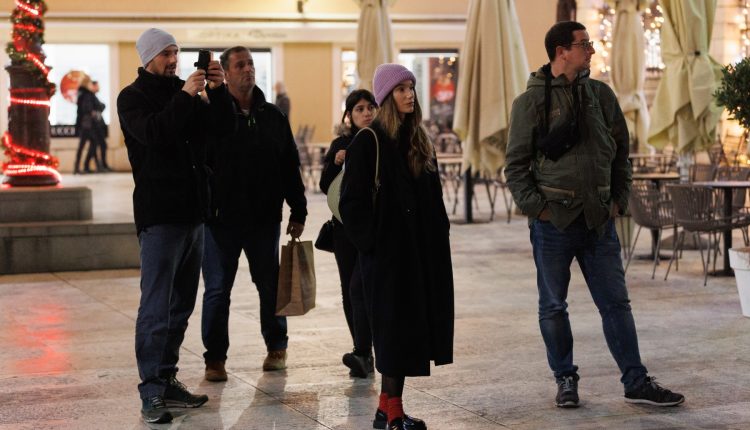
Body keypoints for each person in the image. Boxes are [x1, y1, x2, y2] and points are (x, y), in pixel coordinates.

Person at [505, 21, 685, 409]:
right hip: (554, 224)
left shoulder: (601, 95)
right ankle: (565, 379)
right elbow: (515, 167)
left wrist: (618, 199)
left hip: (599, 221)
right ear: (561, 52)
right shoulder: (530, 102)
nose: (591, 50)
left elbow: (622, 154)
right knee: (553, 306)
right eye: (584, 44)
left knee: (616, 304)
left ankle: (636, 381)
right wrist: (540, 210)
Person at [117, 28, 235, 424]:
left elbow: (223, 132)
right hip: (159, 217)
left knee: (181, 305)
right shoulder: (132, 98)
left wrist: (218, 92)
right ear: (148, 57)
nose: (173, 60)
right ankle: (151, 390)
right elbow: (156, 134)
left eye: (176, 52)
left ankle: (167, 378)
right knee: (156, 307)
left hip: (193, 214)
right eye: (166, 54)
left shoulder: (187, 94)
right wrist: (186, 95)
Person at [340, 63, 454, 430]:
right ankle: (392, 415)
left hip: (419, 253)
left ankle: (386, 411)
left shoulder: (418, 138)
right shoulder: (368, 140)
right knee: (392, 334)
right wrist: (374, 245)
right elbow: (351, 204)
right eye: (401, 89)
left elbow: (432, 197)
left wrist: (439, 234)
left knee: (407, 331)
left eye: (411, 88)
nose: (410, 95)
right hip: (387, 258)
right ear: (387, 97)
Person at [201, 46, 307, 382]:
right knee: (217, 290)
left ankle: (277, 346)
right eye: (240, 65)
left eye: (250, 63)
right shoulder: (211, 114)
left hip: (263, 218)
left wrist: (299, 209)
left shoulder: (273, 116)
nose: (248, 69)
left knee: (269, 285)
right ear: (225, 73)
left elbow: (289, 165)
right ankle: (215, 358)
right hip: (220, 220)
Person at [319, 89, 378, 378]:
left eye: (370, 107)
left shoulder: (380, 141)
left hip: (372, 227)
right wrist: (335, 162)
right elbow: (325, 185)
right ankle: (361, 350)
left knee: (361, 287)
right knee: (349, 289)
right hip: (343, 228)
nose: (366, 113)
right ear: (349, 115)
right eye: (359, 109)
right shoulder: (341, 144)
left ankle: (364, 350)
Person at [74, 75, 106, 173]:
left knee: (92, 145)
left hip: (86, 124)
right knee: (87, 145)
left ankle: (83, 167)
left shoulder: (82, 94)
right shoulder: (87, 94)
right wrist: (93, 111)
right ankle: (80, 168)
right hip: (87, 124)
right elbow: (87, 109)